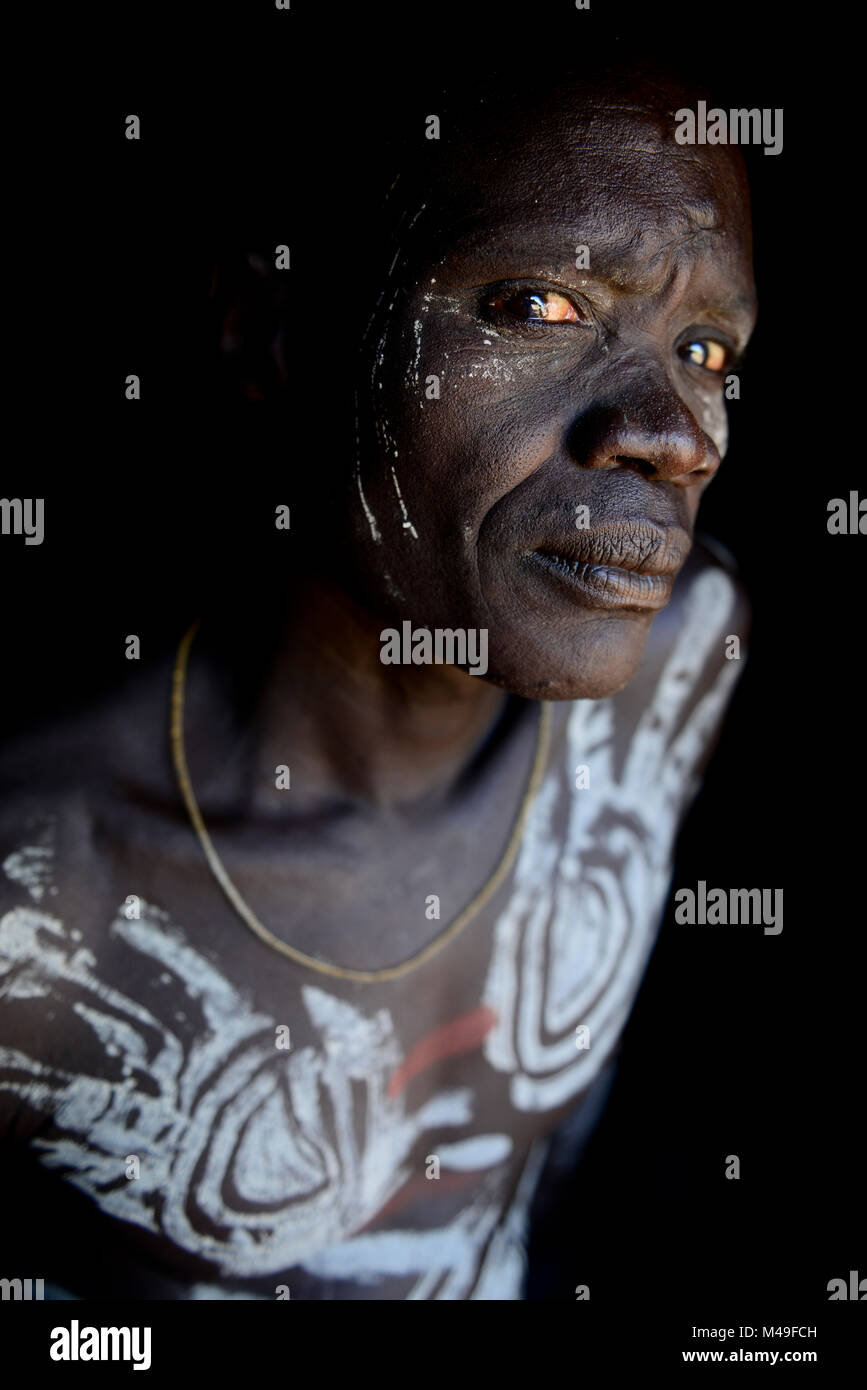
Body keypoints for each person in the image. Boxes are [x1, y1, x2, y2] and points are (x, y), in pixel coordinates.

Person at [0, 64, 756, 1300]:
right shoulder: (46, 911)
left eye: (705, 345)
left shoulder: (678, 669)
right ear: (274, 329)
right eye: (539, 304)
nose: (674, 435)